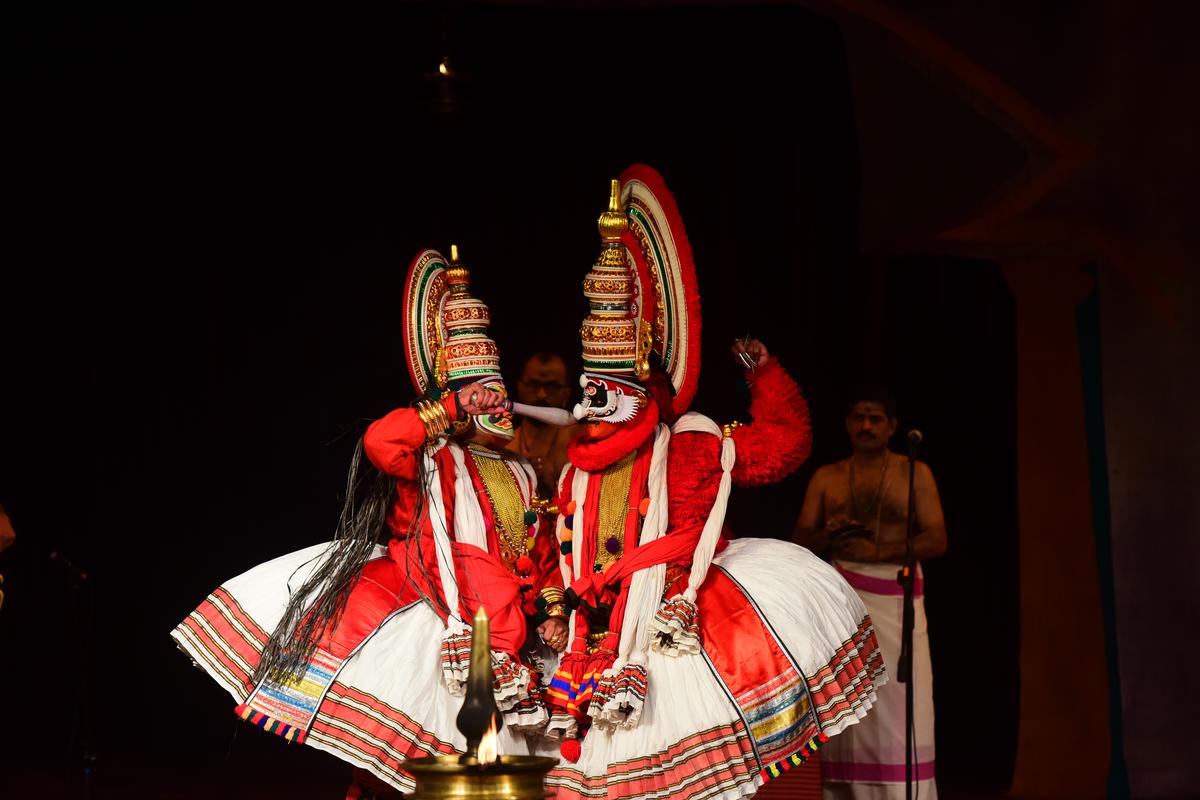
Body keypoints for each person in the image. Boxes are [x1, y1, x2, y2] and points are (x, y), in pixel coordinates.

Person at [172, 247, 568, 795]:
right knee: (409, 777)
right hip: (434, 615)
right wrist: (449, 411)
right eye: (486, 397)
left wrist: (552, 608)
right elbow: (379, 443)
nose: (501, 406)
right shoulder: (430, 458)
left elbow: (540, 548)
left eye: (501, 395)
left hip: (505, 635)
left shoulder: (523, 473)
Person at [543, 169, 887, 800]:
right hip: (594, 643)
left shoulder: (692, 443)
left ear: (639, 389)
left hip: (684, 626)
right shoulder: (574, 470)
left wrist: (764, 375)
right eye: (585, 392)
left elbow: (785, 445)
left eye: (605, 392)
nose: (589, 404)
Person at [793, 387, 947, 800]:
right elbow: (799, 541)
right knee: (851, 695)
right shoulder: (828, 477)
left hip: (897, 597)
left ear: (892, 427)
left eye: (875, 419)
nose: (866, 426)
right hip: (844, 598)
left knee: (901, 698)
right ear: (847, 424)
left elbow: (936, 539)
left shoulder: (915, 472)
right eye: (858, 417)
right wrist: (830, 532)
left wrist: (878, 551)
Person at [507, 353, 583, 497]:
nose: (541, 395)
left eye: (552, 387)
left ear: (567, 394)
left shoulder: (582, 441)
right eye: (533, 385)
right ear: (519, 387)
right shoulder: (505, 445)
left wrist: (555, 484)